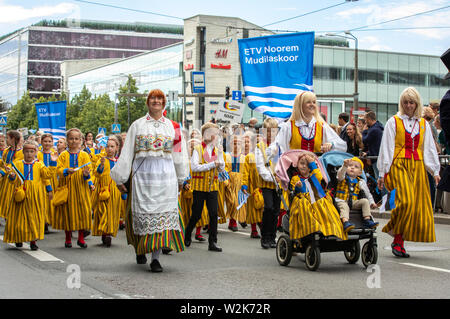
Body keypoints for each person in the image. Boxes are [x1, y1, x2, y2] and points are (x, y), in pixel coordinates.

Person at [111, 89, 189, 272]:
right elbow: (127, 152)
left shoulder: (174, 127)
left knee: (162, 217)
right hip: (143, 177)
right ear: (147, 102)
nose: (156, 101)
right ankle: (141, 249)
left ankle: (156, 258)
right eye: (153, 98)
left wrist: (181, 177)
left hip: (166, 178)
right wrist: (119, 178)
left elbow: (180, 155)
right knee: (142, 216)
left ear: (164, 103)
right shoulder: (137, 126)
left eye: (160, 98)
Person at [377, 87, 440, 258]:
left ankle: (398, 240)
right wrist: (383, 173)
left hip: (417, 167)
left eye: (412, 102)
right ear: (402, 103)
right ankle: (396, 236)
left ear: (417, 103)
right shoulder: (393, 121)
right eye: (405, 102)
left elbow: (428, 149)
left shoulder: (423, 123)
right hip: (398, 165)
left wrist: (434, 170)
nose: (408, 105)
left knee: (415, 206)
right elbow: (387, 147)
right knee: (406, 201)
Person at [1, 140, 57, 250]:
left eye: (31, 151)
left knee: (34, 217)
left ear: (35, 152)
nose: (29, 154)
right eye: (26, 151)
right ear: (23, 152)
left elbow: (47, 175)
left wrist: (53, 163)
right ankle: (18, 238)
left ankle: (33, 240)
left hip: (36, 195)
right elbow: (12, 181)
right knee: (19, 217)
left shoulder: (39, 164)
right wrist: (12, 176)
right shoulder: (17, 164)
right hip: (21, 194)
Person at [184, 122, 224, 252]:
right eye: (214, 133)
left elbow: (222, 168)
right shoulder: (198, 149)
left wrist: (219, 158)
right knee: (196, 214)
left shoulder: (217, 150)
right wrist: (213, 164)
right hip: (199, 187)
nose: (216, 136)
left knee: (213, 214)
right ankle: (188, 232)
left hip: (213, 187)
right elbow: (194, 167)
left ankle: (213, 242)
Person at [288, 152, 347, 241]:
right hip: (303, 198)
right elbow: (292, 190)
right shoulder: (295, 178)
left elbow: (319, 177)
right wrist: (298, 186)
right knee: (304, 204)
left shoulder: (314, 176)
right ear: (297, 165)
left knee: (325, 204)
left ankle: (331, 228)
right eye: (302, 163)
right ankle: (313, 227)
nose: (304, 166)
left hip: (316, 197)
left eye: (307, 165)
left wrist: (312, 163)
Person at [53, 128, 95, 249]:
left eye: (77, 138)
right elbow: (59, 170)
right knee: (68, 212)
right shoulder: (63, 155)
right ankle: (68, 238)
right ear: (67, 140)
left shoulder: (85, 155)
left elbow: (89, 171)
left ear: (81, 140)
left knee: (83, 211)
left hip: (81, 188)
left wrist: (87, 177)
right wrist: (66, 170)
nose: (74, 141)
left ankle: (81, 239)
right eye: (71, 138)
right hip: (68, 188)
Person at [268, 91, 347, 156]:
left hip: (316, 171)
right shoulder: (289, 126)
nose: (312, 105)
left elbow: (342, 146)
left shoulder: (321, 126)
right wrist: (266, 153)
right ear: (300, 106)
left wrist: (331, 144)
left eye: (314, 102)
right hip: (293, 170)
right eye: (308, 102)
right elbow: (278, 146)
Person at [92, 135, 124, 247]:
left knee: (113, 212)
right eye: (107, 146)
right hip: (103, 190)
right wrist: (100, 165)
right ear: (104, 148)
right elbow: (96, 173)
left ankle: (108, 233)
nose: (109, 149)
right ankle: (104, 232)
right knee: (103, 211)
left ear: (116, 148)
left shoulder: (118, 161)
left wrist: (123, 190)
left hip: (115, 191)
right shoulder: (102, 160)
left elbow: (122, 176)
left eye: (112, 146)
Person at [254, 118, 281, 249]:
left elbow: (281, 163)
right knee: (268, 208)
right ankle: (265, 236)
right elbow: (261, 167)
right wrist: (272, 178)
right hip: (267, 182)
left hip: (279, 182)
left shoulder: (279, 145)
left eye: (274, 131)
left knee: (276, 210)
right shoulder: (260, 146)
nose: (271, 133)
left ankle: (272, 236)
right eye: (269, 131)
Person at [335, 157, 379, 232]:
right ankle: (345, 222)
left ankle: (367, 220)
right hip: (341, 200)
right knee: (344, 207)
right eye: (350, 165)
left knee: (365, 201)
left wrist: (372, 202)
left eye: (356, 167)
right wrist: (344, 166)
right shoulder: (342, 178)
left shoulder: (361, 182)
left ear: (360, 172)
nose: (352, 167)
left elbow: (368, 194)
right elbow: (340, 174)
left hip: (353, 202)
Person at [241, 131, 262, 238]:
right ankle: (254, 230)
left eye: (260, 141)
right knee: (253, 209)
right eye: (256, 142)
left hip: (263, 186)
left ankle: (263, 227)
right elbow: (245, 173)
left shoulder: (265, 155)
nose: (258, 144)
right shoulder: (249, 157)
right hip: (252, 187)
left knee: (263, 209)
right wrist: (244, 185)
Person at [0, 130, 24, 221]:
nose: (6, 140)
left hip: (14, 180)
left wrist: (2, 172)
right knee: (5, 202)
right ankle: (8, 222)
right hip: (5, 181)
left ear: (13, 139)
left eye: (7, 138)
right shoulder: (7, 150)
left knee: (12, 201)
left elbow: (13, 164)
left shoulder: (21, 152)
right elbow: (4, 163)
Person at [37, 133, 58, 233]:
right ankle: (43, 222)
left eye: (49, 141)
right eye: (45, 141)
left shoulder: (54, 154)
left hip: (54, 179)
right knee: (43, 201)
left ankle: (50, 220)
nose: (47, 143)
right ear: (41, 142)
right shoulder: (38, 154)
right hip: (42, 179)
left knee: (52, 201)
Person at [362, 111, 384, 180]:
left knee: (378, 177)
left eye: (365, 120)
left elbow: (365, 140)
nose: (365, 122)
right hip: (377, 155)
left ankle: (383, 191)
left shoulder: (373, 130)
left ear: (369, 119)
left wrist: (364, 131)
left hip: (375, 157)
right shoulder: (379, 127)